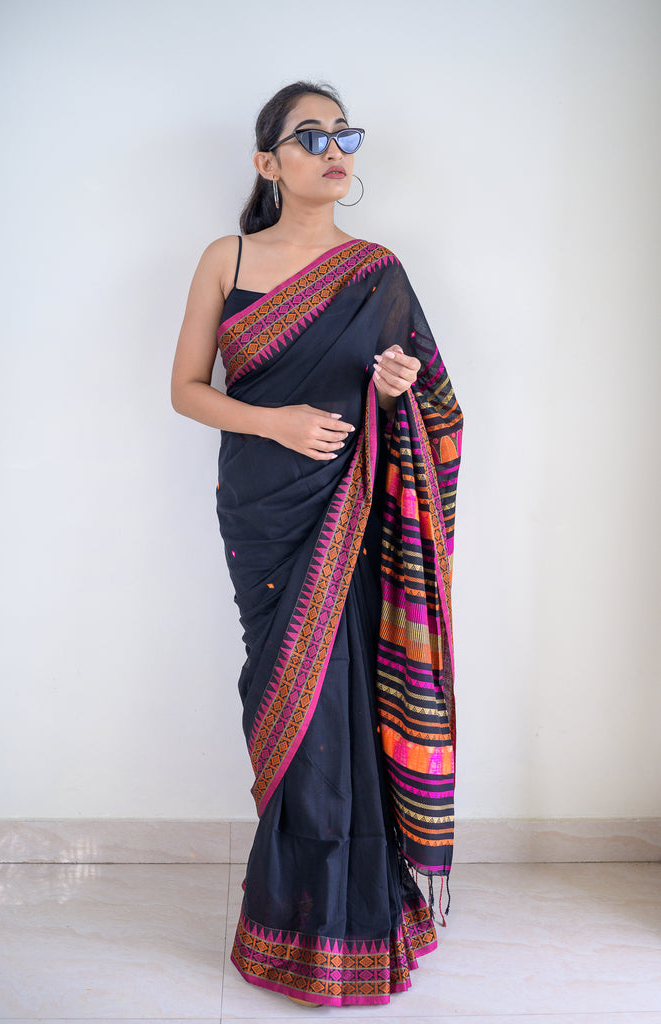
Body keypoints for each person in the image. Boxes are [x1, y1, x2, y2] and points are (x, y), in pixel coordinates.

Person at [171, 81, 463, 1007]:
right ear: (268, 162)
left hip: (354, 508)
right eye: (311, 136)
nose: (336, 149)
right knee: (289, 704)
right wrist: (278, 422)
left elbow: (430, 406)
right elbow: (187, 390)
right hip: (264, 510)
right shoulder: (227, 257)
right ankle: (295, 922)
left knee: (346, 711)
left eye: (344, 134)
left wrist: (394, 386)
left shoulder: (377, 271)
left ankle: (355, 923)